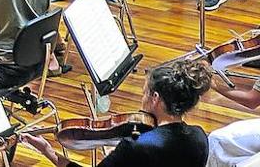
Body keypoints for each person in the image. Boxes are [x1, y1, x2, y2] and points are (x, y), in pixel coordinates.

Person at [22, 58, 210, 167]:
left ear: (155, 98)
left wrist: (47, 150)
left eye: (144, 92)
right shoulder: (199, 137)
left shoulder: (136, 147)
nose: (142, 98)